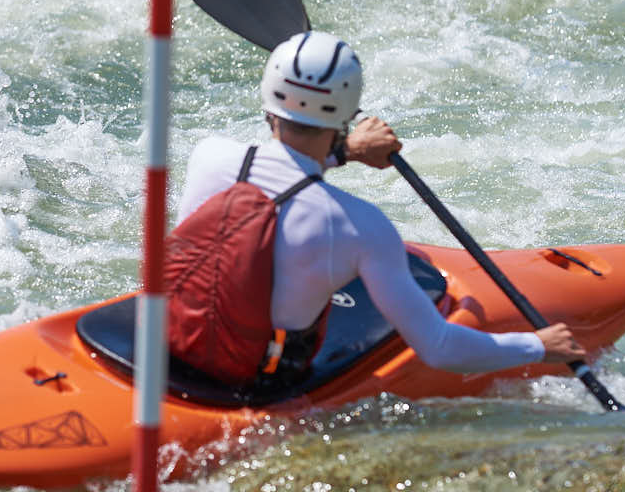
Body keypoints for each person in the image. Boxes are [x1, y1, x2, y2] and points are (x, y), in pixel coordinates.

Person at [171, 30, 586, 391]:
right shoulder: (360, 227)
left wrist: (343, 152)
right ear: (349, 113)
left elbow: (279, 173)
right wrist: (538, 346)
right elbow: (438, 347)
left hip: (169, 345)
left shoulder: (209, 155)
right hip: (256, 381)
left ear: (268, 96)